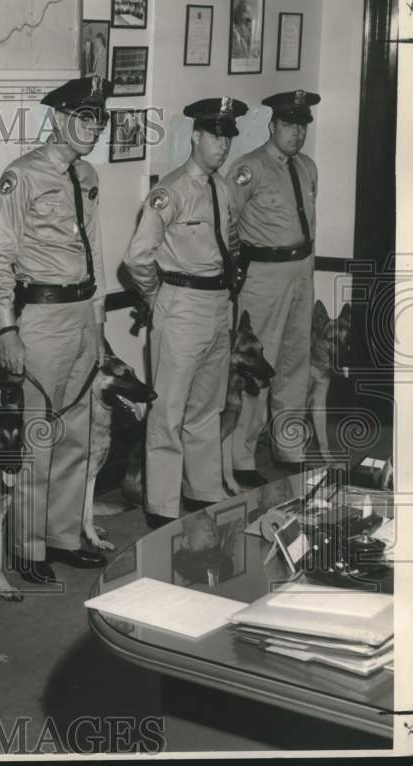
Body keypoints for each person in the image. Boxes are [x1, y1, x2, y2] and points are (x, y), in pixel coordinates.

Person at [0, 76, 112, 584]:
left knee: (75, 433)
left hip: (81, 315)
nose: (94, 129)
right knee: (39, 436)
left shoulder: (88, 176)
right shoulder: (22, 177)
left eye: (99, 120)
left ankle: (61, 536)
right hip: (41, 316)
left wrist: (98, 327)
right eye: (85, 118)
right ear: (57, 118)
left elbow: (96, 256)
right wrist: (5, 330)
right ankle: (27, 548)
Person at [123, 96, 248, 527]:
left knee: (206, 409)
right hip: (180, 304)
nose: (223, 144)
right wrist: (156, 296)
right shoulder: (170, 191)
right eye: (215, 135)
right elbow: (138, 256)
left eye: (228, 136)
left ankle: (203, 491)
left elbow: (231, 245)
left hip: (217, 305)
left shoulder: (226, 187)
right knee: (169, 411)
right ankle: (161, 504)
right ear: (196, 136)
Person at [228, 90, 322, 486]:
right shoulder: (249, 169)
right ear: (272, 126)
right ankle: (242, 457)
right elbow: (226, 220)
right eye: (288, 125)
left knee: (295, 364)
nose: (296, 133)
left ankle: (288, 446)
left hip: (301, 272)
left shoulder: (307, 168)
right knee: (257, 370)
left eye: (301, 125)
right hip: (264, 277)